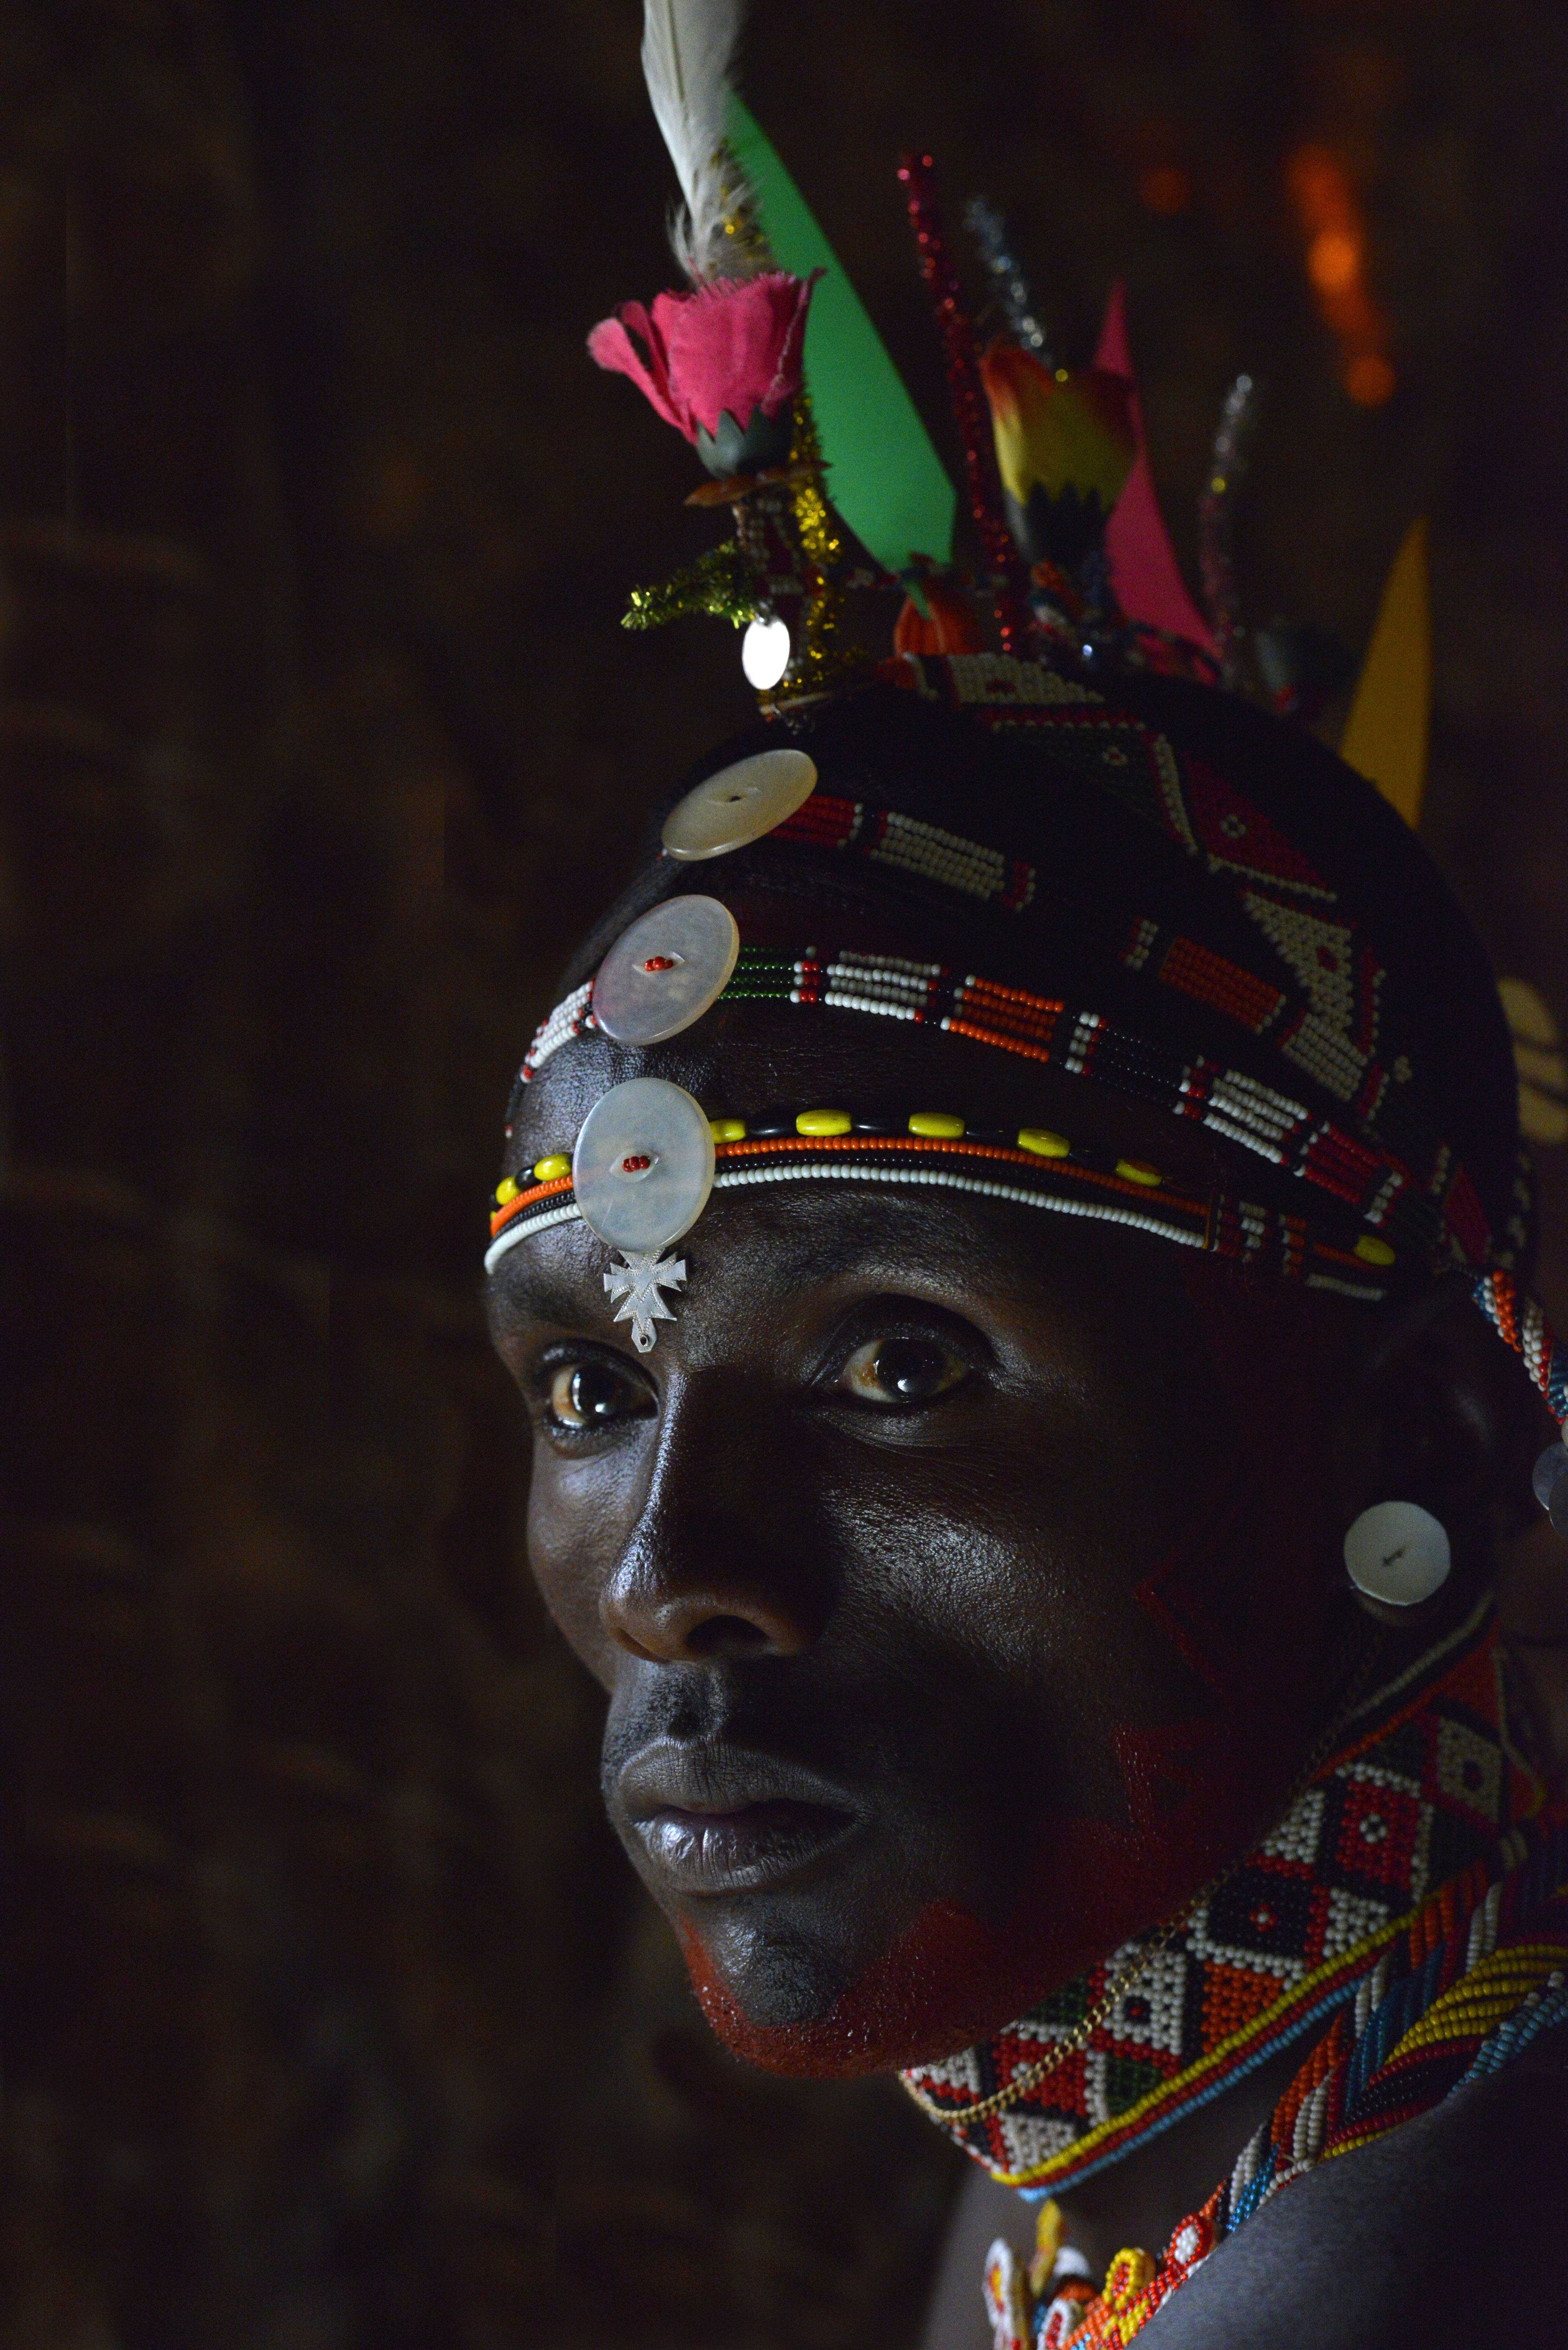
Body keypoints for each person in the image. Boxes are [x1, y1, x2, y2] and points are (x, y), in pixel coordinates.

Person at [484, 10, 1568, 2340]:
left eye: (899, 1363)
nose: (673, 1582)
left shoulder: (1440, 2263)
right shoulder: (1108, 2183)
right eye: (591, 1389)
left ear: (1419, 1439)